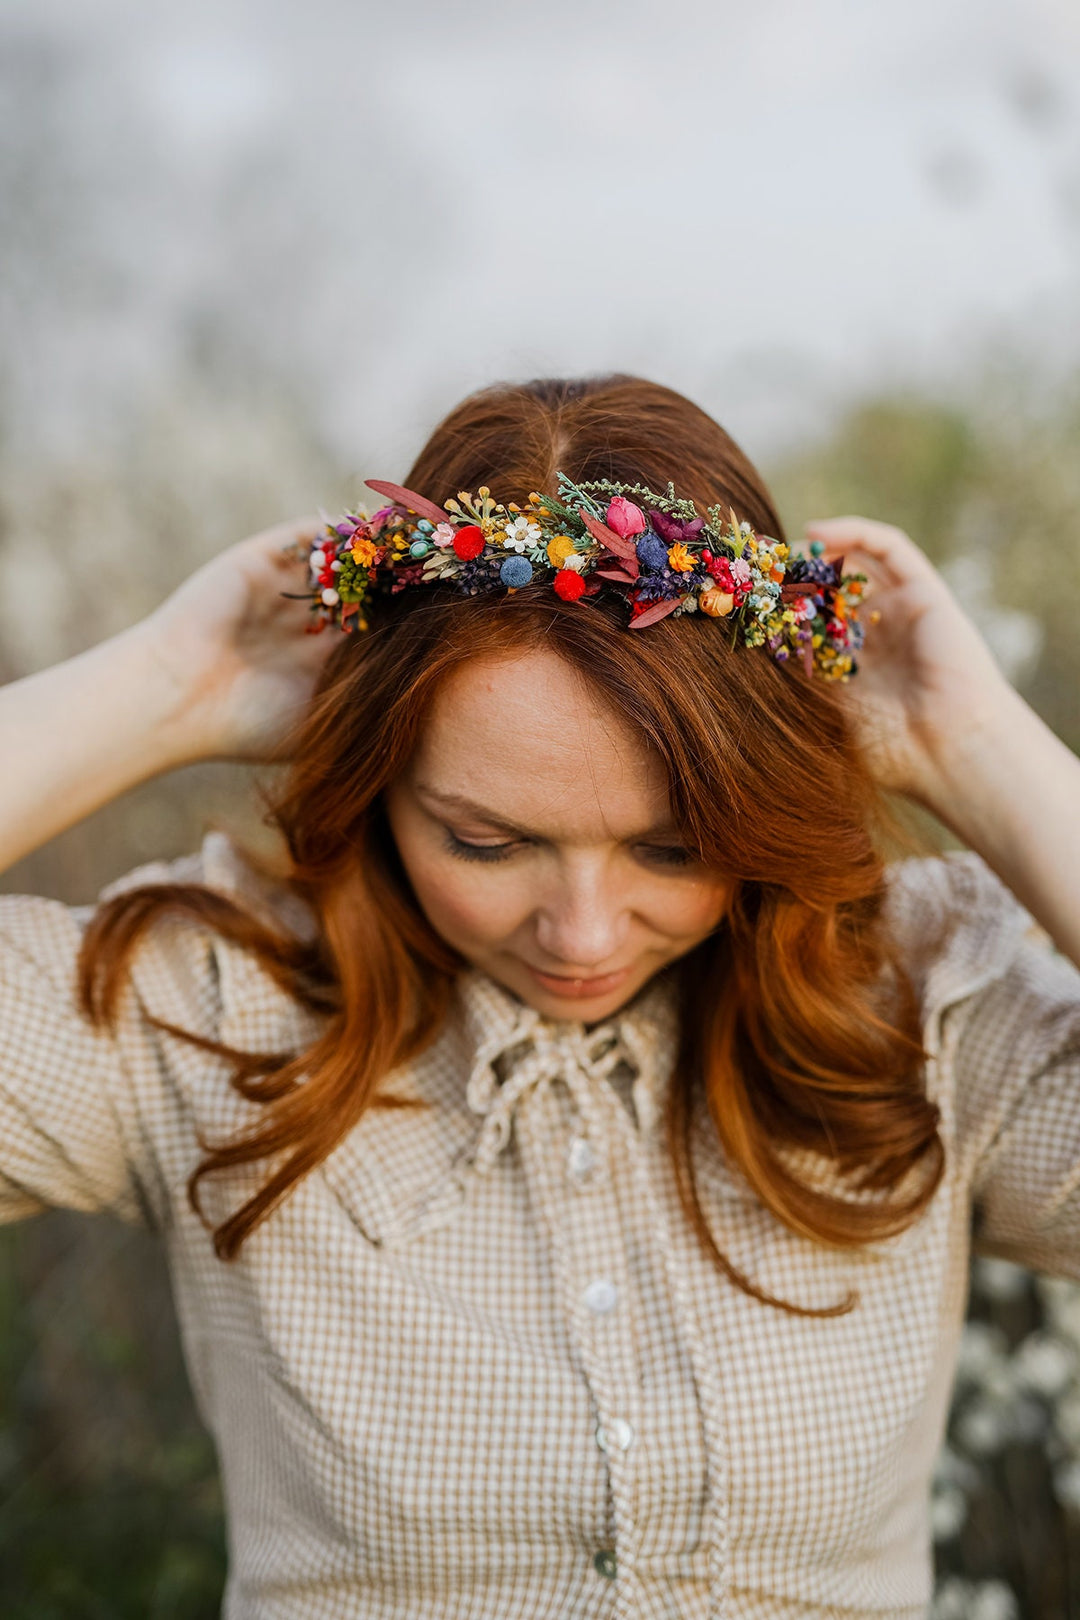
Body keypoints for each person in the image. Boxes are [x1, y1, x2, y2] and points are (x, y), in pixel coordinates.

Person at [1, 373, 1079, 1620]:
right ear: (379, 781)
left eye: (671, 850)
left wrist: (975, 747)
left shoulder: (926, 1007)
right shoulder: (209, 1013)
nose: (581, 932)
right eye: (487, 842)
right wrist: (161, 690)